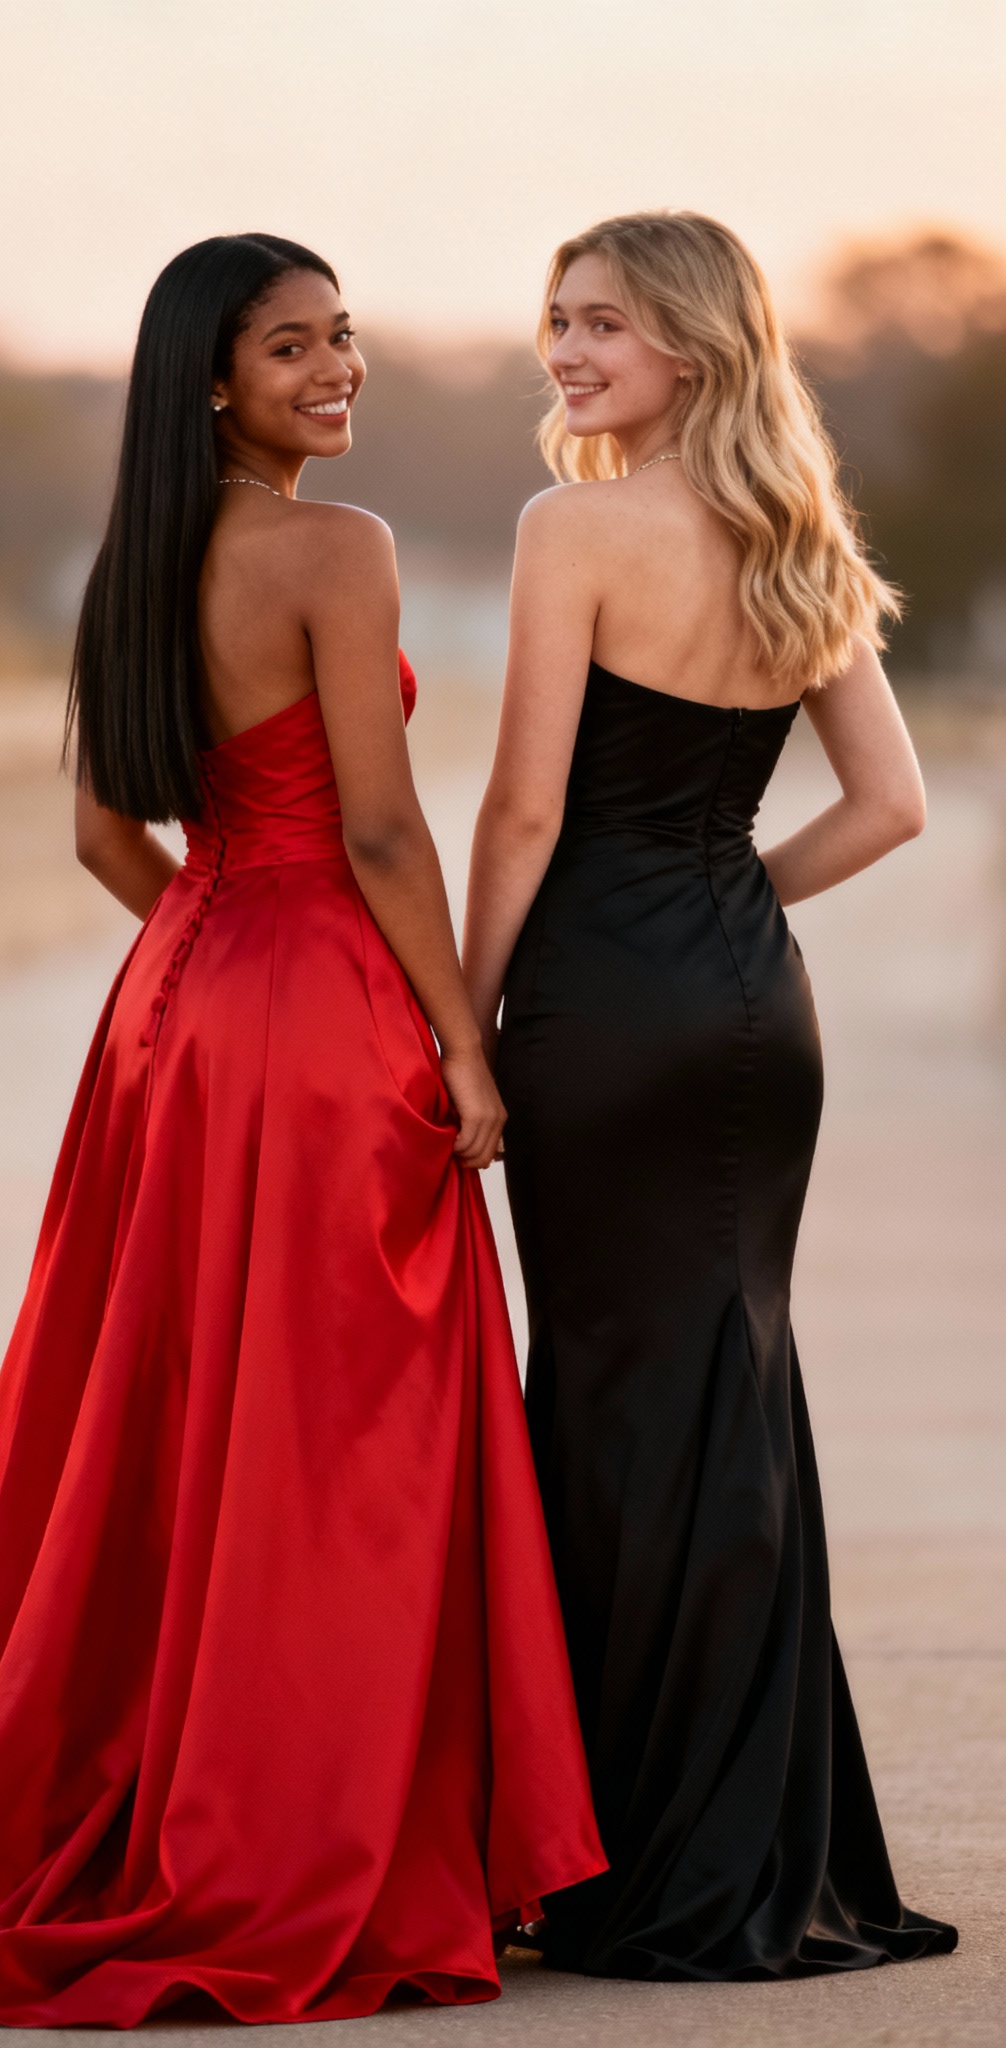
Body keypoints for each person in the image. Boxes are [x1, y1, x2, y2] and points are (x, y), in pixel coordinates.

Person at [0, 233, 604, 2026]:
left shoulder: (137, 560)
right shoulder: (340, 550)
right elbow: (381, 833)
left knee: (171, 1411)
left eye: (342, 338)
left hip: (175, 1014)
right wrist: (465, 1048)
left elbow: (117, 843)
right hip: (320, 1011)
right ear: (213, 378)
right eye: (293, 349)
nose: (334, 370)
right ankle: (309, 1832)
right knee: (343, 1433)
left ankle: (157, 1786)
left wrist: (218, 949)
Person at [463, 211, 958, 1979]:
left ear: (690, 341)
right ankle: (758, 1843)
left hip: (599, 1004)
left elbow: (522, 817)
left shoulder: (573, 525)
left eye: (603, 324)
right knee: (736, 1395)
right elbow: (888, 803)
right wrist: (733, 895)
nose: (568, 355)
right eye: (556, 324)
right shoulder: (790, 528)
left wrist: (460, 1017)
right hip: (754, 1001)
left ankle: (639, 1857)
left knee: (607, 1403)